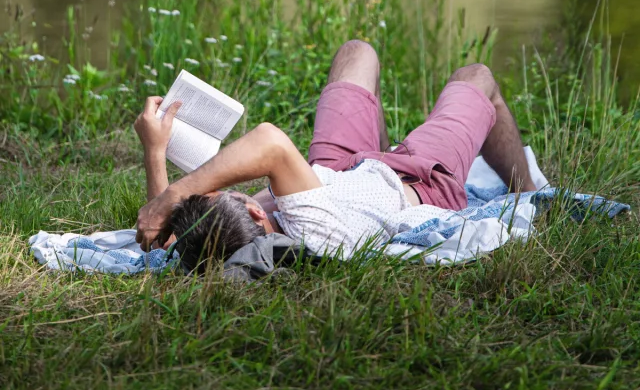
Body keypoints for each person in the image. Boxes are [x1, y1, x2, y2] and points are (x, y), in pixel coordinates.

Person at [134, 40, 537, 271]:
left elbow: (161, 239)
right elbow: (270, 141)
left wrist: (156, 151)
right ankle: (531, 192)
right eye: (236, 196)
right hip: (417, 181)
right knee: (477, 77)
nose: (245, 194)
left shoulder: (222, 239)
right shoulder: (311, 228)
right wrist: (170, 198)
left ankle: (378, 141)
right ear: (257, 215)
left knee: (357, 53)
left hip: (337, 170)